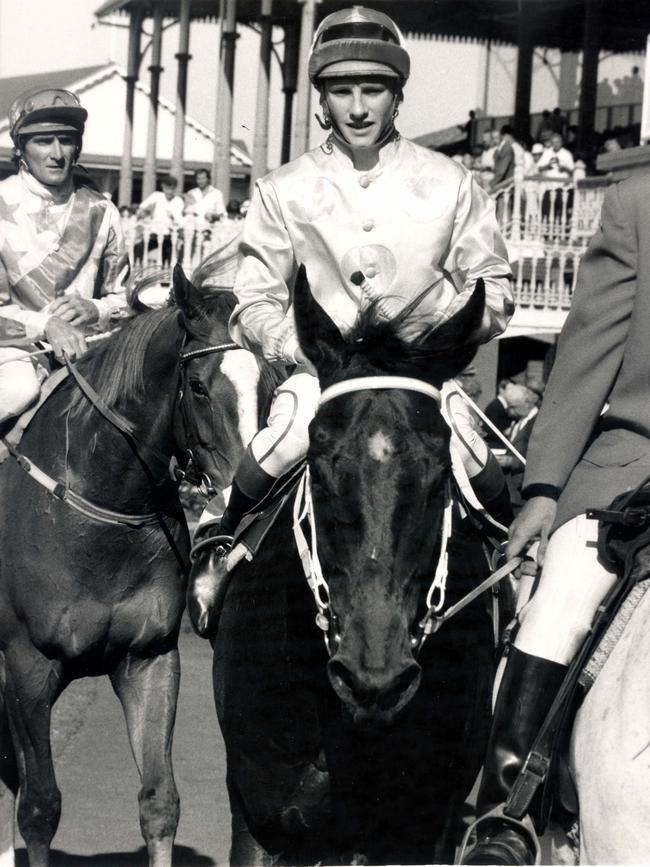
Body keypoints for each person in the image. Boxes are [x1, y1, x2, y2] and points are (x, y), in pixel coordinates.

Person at [186, 5, 515, 638]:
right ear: (323, 98)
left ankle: (510, 571)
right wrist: (302, 350)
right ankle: (219, 552)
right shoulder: (283, 189)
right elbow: (254, 300)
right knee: (280, 443)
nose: (358, 107)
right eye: (342, 91)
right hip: (322, 378)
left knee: (475, 460)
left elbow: (494, 289)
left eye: (373, 89)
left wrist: (430, 336)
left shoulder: (451, 181)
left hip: (419, 380)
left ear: (398, 95)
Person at [461, 171, 650, 864]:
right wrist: (542, 489)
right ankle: (507, 814)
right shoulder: (636, 204)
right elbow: (587, 356)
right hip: (638, 466)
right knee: (561, 602)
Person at [0, 87, 129, 435]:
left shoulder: (102, 211)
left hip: (90, 353)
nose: (57, 154)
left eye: (66, 140)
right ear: (21, 148)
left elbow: (126, 300)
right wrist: (47, 326)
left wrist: (95, 309)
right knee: (18, 387)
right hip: (15, 356)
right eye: (44, 141)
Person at [136, 175, 184, 267]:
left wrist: (173, 217)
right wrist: (146, 211)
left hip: (169, 236)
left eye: (172, 189)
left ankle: (165, 280)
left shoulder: (178, 201)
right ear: (163, 187)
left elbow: (180, 221)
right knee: (139, 249)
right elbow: (142, 208)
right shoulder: (156, 196)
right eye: (167, 188)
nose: (169, 191)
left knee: (168, 259)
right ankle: (138, 273)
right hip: (154, 233)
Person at [184, 168, 226, 233]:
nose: (200, 181)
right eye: (198, 179)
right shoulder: (191, 193)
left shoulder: (217, 193)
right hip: (193, 230)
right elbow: (186, 212)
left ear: (208, 179)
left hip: (210, 230)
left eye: (203, 178)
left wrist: (212, 215)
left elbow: (221, 214)